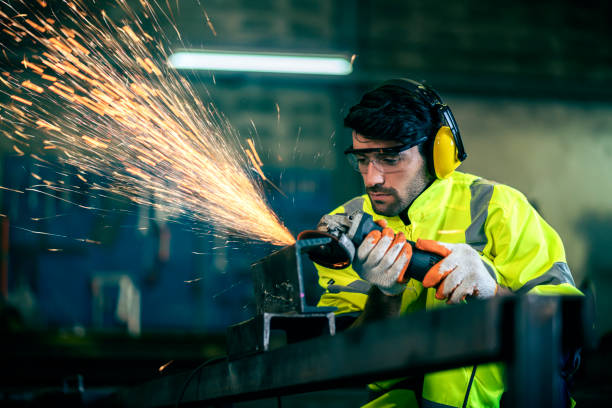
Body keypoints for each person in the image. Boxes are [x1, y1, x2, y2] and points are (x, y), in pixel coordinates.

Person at [314, 79, 582, 407]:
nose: (373, 177)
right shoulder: (346, 224)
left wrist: (493, 294)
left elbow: (568, 336)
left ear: (437, 151)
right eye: (362, 159)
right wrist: (384, 296)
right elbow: (344, 363)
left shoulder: (498, 206)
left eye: (391, 158)